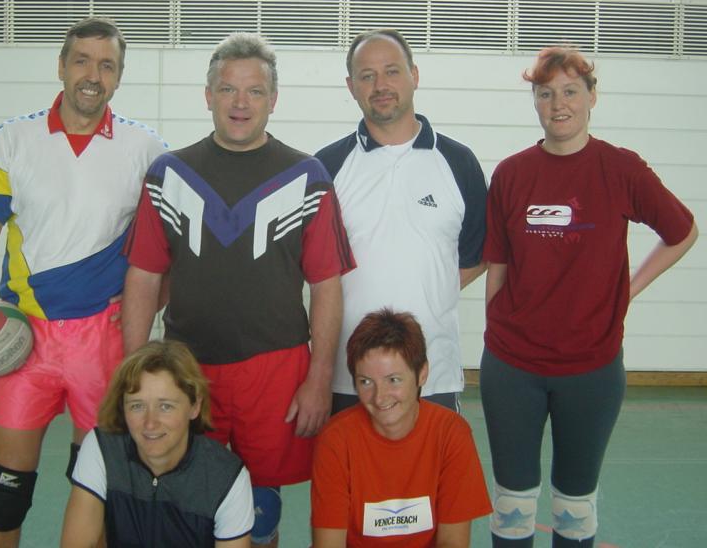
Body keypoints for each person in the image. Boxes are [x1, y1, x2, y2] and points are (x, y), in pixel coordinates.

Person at [0, 17, 168, 547]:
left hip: (104, 338)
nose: (93, 75)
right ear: (61, 67)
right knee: (5, 489)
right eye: (82, 61)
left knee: (98, 489)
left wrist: (151, 307)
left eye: (106, 65)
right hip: (27, 339)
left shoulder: (147, 149)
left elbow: (169, 246)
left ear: (119, 77)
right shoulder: (13, 139)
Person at [121, 32, 355, 547]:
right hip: (187, 368)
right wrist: (133, 377)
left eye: (254, 91)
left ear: (274, 99)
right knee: (185, 499)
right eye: (228, 89)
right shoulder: (168, 175)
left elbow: (327, 285)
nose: (240, 103)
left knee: (261, 509)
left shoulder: (308, 177)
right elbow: (143, 277)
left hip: (275, 369)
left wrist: (319, 377)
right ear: (208, 96)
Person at [481, 46, 698, 548]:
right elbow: (498, 265)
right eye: (545, 94)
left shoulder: (621, 169)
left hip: (591, 370)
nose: (558, 104)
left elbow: (682, 231)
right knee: (512, 505)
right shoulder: (511, 174)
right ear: (535, 101)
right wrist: (497, 333)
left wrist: (629, 290)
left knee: (575, 508)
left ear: (592, 97)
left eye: (570, 91)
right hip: (513, 367)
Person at [315, 29, 488, 415]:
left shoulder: (459, 162)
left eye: (392, 71)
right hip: (349, 376)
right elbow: (312, 265)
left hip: (433, 374)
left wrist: (429, 288)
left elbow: (477, 255)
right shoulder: (326, 167)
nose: (381, 85)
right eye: (367, 75)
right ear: (351, 86)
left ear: (415, 75)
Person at [311, 308, 492, 548]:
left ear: (422, 374)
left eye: (393, 380)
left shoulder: (451, 434)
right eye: (366, 382)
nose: (380, 397)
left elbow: (453, 542)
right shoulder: (335, 440)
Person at [60, 340, 254, 548]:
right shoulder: (102, 449)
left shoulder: (227, 478)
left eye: (165, 406)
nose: (150, 423)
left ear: (195, 406)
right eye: (137, 406)